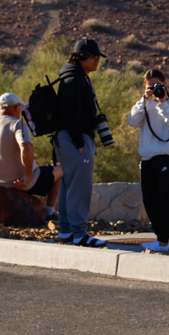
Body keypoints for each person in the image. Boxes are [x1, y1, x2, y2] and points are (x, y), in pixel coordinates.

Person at [55, 37, 110, 247]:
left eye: (98, 57)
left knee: (70, 183)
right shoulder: (74, 79)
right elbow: (70, 113)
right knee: (80, 186)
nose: (97, 60)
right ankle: (79, 233)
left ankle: (67, 231)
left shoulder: (74, 76)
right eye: (93, 57)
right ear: (81, 57)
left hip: (68, 138)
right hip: (74, 139)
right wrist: (78, 140)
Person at [128, 69, 169, 252]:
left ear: (165, 85)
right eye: (150, 86)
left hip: (167, 158)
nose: (154, 89)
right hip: (147, 159)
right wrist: (144, 100)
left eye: (157, 85)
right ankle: (160, 238)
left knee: (165, 202)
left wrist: (162, 102)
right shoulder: (144, 105)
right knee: (150, 202)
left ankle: (163, 242)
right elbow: (133, 121)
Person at [0, 92, 62, 220]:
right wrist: (28, 175)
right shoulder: (17, 124)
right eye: (20, 107)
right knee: (62, 169)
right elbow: (26, 147)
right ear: (15, 107)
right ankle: (50, 213)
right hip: (17, 182)